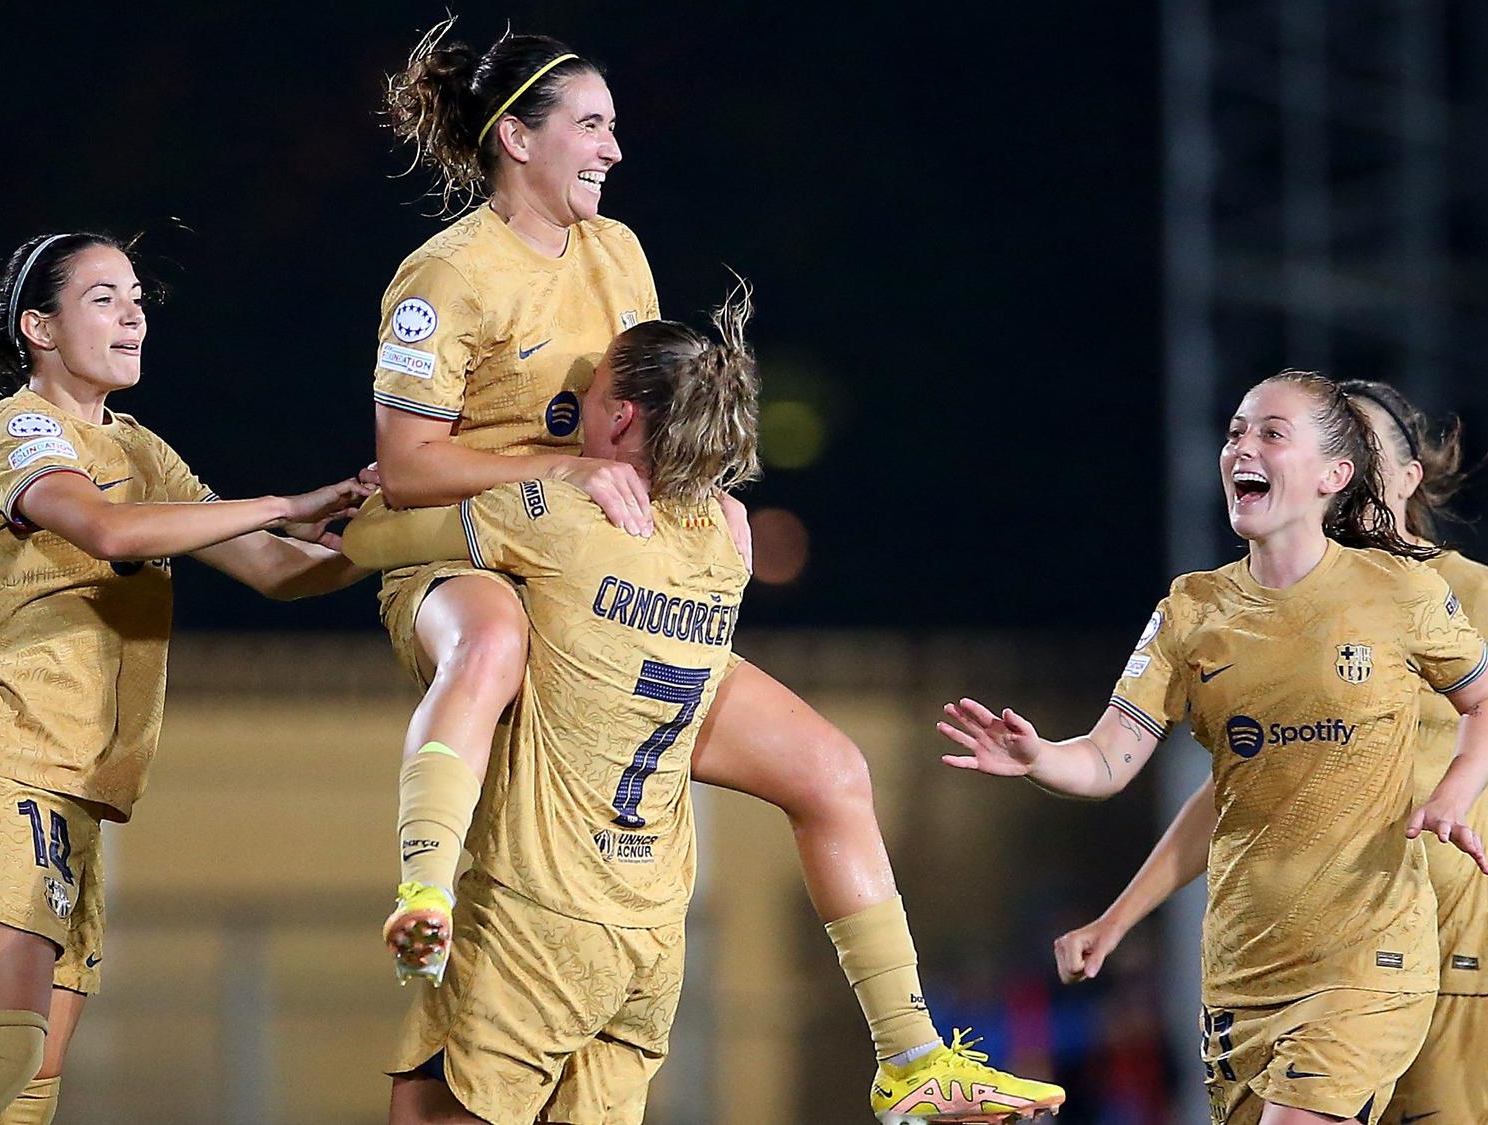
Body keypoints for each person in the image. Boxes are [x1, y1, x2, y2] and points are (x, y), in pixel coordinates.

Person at [364, 21, 1062, 1118]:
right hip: (474, 560)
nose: (613, 149)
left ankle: (910, 1057)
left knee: (830, 770)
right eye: (591, 126)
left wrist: (706, 493)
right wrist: (563, 469)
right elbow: (403, 469)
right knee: (492, 645)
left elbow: (649, 409)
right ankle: (424, 880)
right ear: (515, 139)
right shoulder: (444, 276)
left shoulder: (616, 251)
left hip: (597, 578)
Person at [935, 371, 1488, 1125]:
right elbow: (1109, 758)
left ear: (1332, 476)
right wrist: (1041, 757)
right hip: (1242, 975)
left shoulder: (1398, 593)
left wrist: (1452, 793)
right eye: (1236, 431)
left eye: (1271, 432)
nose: (1242, 445)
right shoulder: (1191, 611)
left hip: (1369, 962)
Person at [0, 232, 369, 1125]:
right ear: (38, 326)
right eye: (105, 296)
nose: (135, 312)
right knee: (5, 1048)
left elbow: (274, 568)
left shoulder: (143, 450)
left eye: (138, 295)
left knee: (30, 1089)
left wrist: (402, 528)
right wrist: (286, 502)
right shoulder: (17, 428)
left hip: (73, 794)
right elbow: (106, 531)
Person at [1048, 379, 1488, 1118]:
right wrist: (1122, 914)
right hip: (1310, 946)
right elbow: (1235, 793)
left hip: (1450, 932)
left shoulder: (1474, 598)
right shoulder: (1283, 594)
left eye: (1365, 446)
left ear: (1398, 475)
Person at [346, 290, 753, 1124]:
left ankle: (421, 883)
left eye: (590, 394)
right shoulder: (725, 544)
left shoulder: (560, 514)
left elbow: (370, 541)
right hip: (652, 931)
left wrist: (369, 510)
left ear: (618, 420)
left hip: (542, 918)